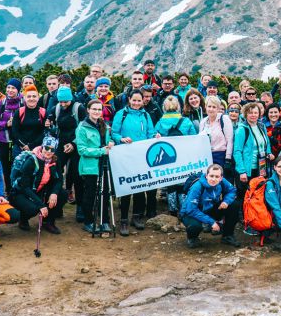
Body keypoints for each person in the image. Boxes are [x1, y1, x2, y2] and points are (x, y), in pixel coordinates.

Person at [111, 89, 157, 234]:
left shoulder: (146, 115)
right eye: (134, 100)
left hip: (141, 156)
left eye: (139, 100)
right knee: (127, 187)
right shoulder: (121, 114)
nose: (136, 103)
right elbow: (114, 132)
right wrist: (121, 139)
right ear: (129, 100)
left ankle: (136, 217)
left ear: (143, 101)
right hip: (125, 155)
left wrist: (155, 136)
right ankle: (124, 220)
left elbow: (150, 133)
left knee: (140, 187)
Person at [10, 135, 65, 235]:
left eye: (52, 149)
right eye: (46, 148)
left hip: (40, 190)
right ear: (42, 147)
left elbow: (59, 180)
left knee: (62, 194)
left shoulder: (55, 160)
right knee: (33, 208)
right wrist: (41, 204)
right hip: (22, 192)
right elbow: (24, 187)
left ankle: (48, 221)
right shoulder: (31, 160)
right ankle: (23, 219)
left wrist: (54, 193)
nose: (49, 151)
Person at [154, 95, 199, 215]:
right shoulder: (186, 121)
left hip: (169, 157)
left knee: (171, 182)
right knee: (183, 182)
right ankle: (183, 209)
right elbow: (194, 139)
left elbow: (154, 138)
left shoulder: (160, 123)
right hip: (184, 156)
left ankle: (172, 209)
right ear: (178, 106)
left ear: (164, 107)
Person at [75, 99, 115, 233]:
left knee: (105, 193)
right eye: (94, 109)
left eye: (99, 109)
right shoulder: (82, 127)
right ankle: (88, 221)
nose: (97, 112)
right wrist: (101, 151)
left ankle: (105, 221)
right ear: (88, 110)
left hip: (104, 164)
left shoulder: (104, 125)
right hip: (89, 166)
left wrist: (111, 142)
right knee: (90, 194)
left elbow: (107, 141)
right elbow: (82, 150)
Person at [181, 164, 240, 248]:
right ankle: (192, 238)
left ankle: (227, 236)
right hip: (191, 212)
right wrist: (211, 222)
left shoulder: (222, 182)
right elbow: (191, 210)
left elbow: (232, 190)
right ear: (206, 176)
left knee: (234, 205)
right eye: (211, 176)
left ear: (221, 178)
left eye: (217, 176)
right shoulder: (197, 187)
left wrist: (226, 201)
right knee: (194, 226)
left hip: (210, 208)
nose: (213, 179)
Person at [52, 86, 87, 221]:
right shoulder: (57, 108)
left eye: (65, 101)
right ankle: (57, 206)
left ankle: (80, 207)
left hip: (77, 144)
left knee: (76, 175)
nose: (63, 104)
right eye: (60, 101)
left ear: (70, 99)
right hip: (62, 144)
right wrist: (48, 121)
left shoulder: (79, 108)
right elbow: (52, 123)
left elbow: (84, 129)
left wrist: (73, 144)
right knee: (55, 173)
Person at [0, 78, 24, 174]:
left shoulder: (23, 102)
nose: (10, 90)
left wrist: (16, 123)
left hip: (18, 140)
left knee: (18, 165)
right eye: (8, 87)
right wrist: (6, 124)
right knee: (5, 165)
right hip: (3, 139)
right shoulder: (2, 102)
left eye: (13, 88)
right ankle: (7, 183)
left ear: (18, 90)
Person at [10, 87, 47, 159]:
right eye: (29, 96)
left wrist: (31, 146)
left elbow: (44, 132)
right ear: (25, 98)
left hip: (37, 148)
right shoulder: (19, 112)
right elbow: (15, 131)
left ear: (38, 98)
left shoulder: (43, 112)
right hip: (20, 148)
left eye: (34, 96)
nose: (31, 99)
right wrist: (23, 145)